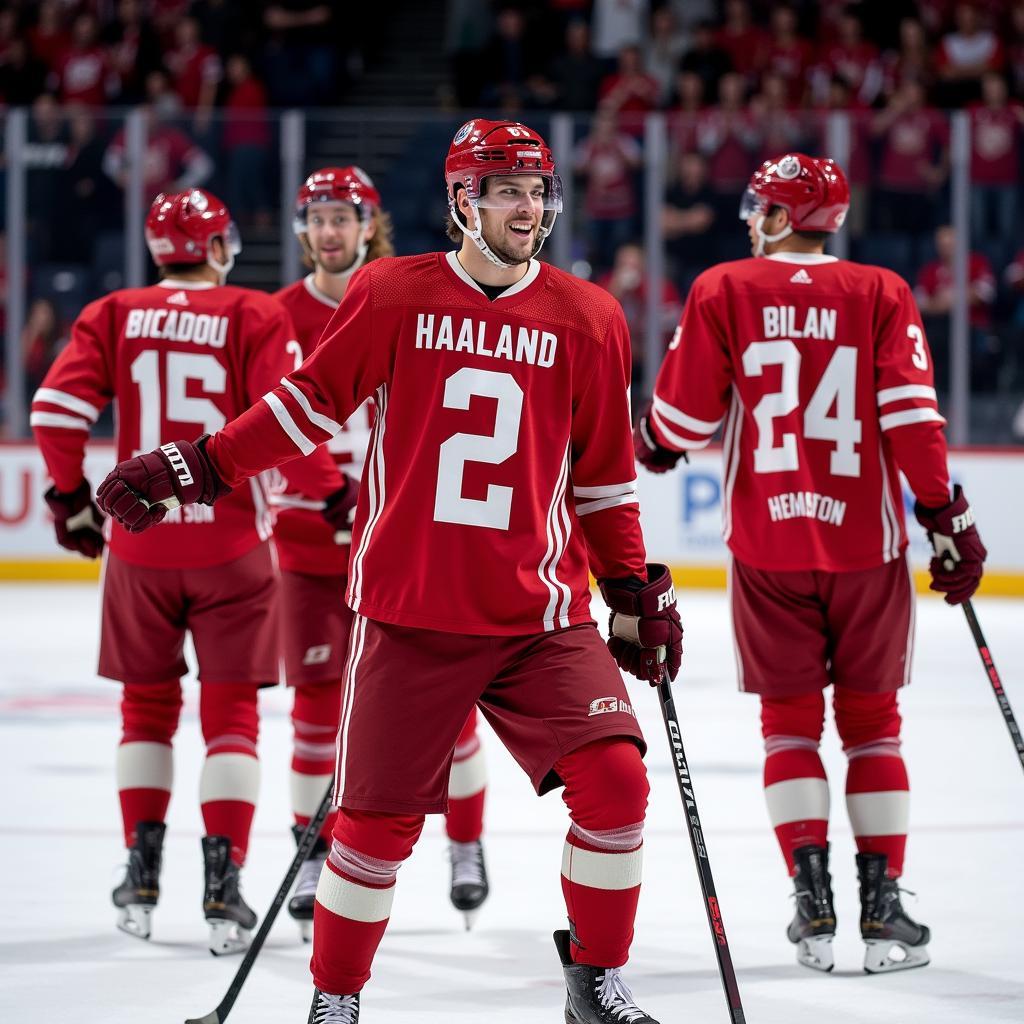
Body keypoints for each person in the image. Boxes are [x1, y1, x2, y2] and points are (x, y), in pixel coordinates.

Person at [96, 119, 683, 1024]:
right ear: (462, 201)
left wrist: (633, 592)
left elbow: (603, 480)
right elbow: (303, 411)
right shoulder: (393, 293)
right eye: (507, 191)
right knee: (372, 831)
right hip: (413, 615)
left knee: (617, 788)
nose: (529, 207)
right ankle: (336, 999)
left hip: (541, 616)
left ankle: (594, 983)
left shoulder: (590, 316)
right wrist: (199, 466)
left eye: (536, 190)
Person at [634, 154, 987, 976]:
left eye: (762, 205)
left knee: (788, 727)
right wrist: (944, 515)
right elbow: (912, 421)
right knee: (873, 727)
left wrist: (653, 443)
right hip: (866, 547)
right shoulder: (881, 291)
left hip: (767, 549)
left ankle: (814, 906)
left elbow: (679, 420)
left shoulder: (724, 287)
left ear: (787, 215)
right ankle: (883, 911)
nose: (752, 215)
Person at [30, 188, 348, 955]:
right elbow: (287, 424)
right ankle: (223, 886)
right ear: (215, 247)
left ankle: (140, 875)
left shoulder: (113, 311)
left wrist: (71, 497)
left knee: (145, 711)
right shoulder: (253, 312)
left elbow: (54, 412)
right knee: (231, 718)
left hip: (140, 550)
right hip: (233, 546)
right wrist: (335, 495)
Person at [274, 166, 492, 936]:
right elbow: (274, 415)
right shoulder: (280, 314)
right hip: (310, 546)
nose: (331, 230)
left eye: (345, 216)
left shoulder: (408, 296)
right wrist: (332, 491)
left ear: (371, 224)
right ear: (304, 228)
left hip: (405, 548)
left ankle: (467, 844)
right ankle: (311, 852)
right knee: (314, 710)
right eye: (318, 217)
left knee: (452, 714)